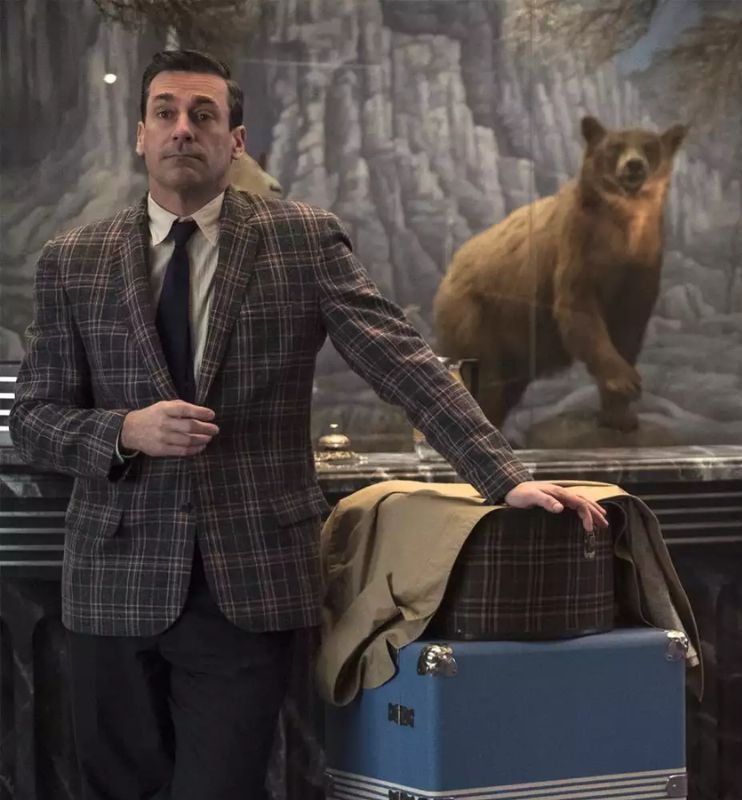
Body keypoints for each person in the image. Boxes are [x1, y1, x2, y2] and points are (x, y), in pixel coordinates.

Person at [10, 49, 605, 800]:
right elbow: (33, 423)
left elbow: (404, 364)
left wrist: (505, 477)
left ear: (237, 140)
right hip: (110, 582)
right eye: (165, 113)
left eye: (204, 114)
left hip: (246, 584)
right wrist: (125, 431)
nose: (182, 129)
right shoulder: (75, 259)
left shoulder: (301, 241)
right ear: (140, 134)